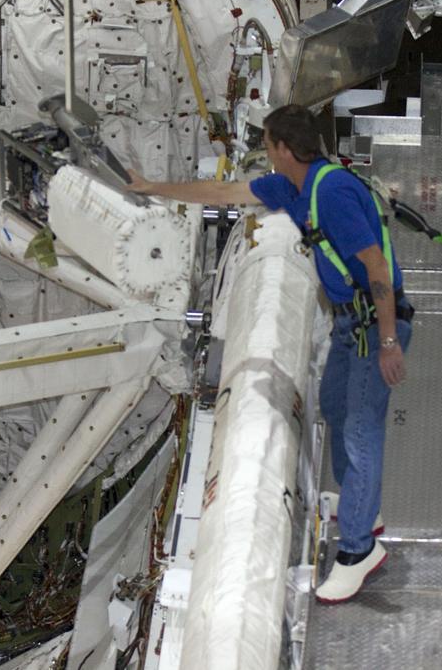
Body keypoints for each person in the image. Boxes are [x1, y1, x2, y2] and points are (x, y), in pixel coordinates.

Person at [128, 104, 413, 603]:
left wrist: (389, 343)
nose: (267, 155)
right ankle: (360, 508)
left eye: (268, 145)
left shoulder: (333, 193)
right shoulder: (292, 188)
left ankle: (358, 551)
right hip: (352, 324)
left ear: (282, 148)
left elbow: (376, 268)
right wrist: (152, 187)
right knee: (337, 406)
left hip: (374, 327)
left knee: (361, 433)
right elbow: (220, 193)